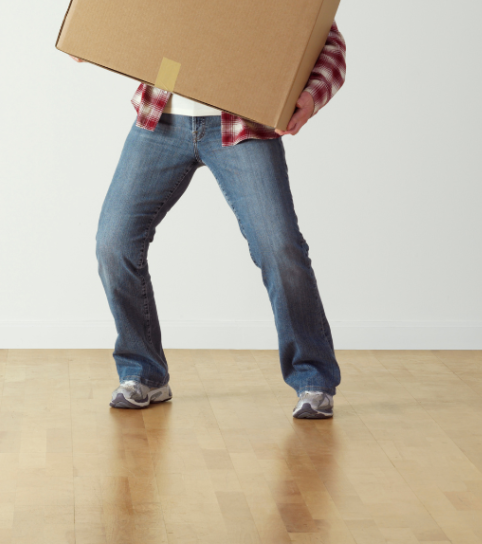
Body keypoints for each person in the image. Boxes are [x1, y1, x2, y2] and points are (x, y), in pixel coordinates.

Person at [73, 24, 346, 419]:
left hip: (243, 121)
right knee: (113, 243)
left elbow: (328, 40)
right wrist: (96, 34)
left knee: (279, 246)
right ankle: (144, 374)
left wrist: (310, 96)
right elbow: (125, 5)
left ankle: (314, 379)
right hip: (162, 118)